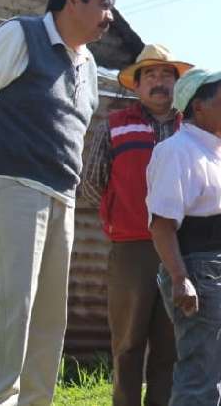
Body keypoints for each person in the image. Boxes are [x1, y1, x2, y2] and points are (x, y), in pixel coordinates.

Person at [0, 0, 114, 406]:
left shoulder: (90, 66)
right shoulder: (19, 36)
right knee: (11, 310)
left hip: (61, 196)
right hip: (13, 187)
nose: (110, 17)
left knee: (47, 320)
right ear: (71, 1)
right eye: (103, 4)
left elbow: (75, 133)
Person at [80, 44, 192, 406]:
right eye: (151, 76)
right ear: (137, 85)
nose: (159, 83)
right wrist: (121, 211)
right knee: (127, 344)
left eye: (166, 75)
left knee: (170, 345)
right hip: (132, 250)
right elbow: (92, 183)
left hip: (181, 249)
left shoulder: (190, 128)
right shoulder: (114, 125)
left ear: (177, 83)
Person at [146, 65, 221, 406]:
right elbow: (162, 223)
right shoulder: (177, 151)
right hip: (199, 270)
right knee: (200, 377)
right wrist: (179, 278)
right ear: (198, 107)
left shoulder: (213, 151)